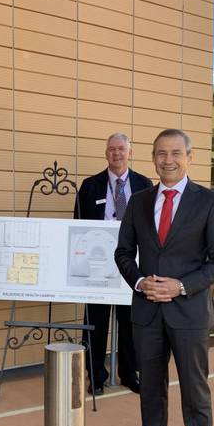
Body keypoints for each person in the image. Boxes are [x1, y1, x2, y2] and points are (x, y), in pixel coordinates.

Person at [112, 128, 214, 426]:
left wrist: (180, 286)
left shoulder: (209, 202)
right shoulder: (139, 201)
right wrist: (140, 282)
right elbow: (122, 253)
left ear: (189, 157)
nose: (168, 160)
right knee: (150, 387)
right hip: (146, 312)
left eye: (175, 153)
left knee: (195, 391)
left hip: (188, 312)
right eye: (161, 153)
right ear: (152, 158)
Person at [74, 133, 153, 395]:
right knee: (95, 323)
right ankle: (95, 375)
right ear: (106, 153)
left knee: (130, 323)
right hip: (97, 265)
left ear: (130, 153)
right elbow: (79, 226)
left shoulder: (144, 184)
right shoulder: (90, 186)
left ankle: (129, 373)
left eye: (121, 149)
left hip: (132, 263)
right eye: (112, 149)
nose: (116, 153)